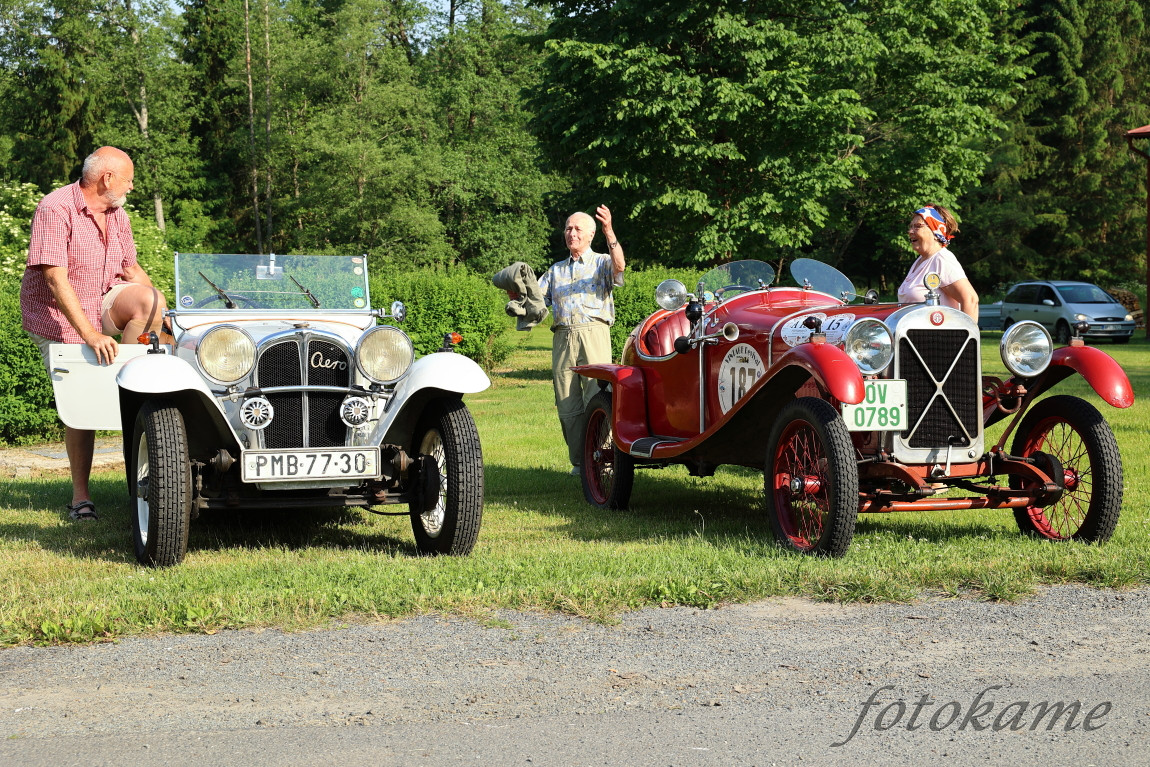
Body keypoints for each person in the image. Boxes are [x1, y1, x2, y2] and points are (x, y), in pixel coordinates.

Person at [20, 146, 169, 521]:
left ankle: (133, 388)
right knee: (83, 403)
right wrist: (88, 334)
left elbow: (131, 270)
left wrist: (163, 315)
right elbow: (55, 279)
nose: (131, 188)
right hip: (60, 315)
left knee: (150, 304)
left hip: (100, 300)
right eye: (129, 180)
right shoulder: (55, 208)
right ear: (107, 179)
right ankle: (81, 498)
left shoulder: (117, 213)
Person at [539, 205, 626, 474]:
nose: (571, 233)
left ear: (590, 235)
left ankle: (604, 458)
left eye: (577, 228)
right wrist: (518, 299)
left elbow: (620, 266)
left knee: (597, 395)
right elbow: (537, 304)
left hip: (593, 333)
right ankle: (581, 461)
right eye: (567, 228)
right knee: (567, 401)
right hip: (563, 337)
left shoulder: (601, 262)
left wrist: (609, 231)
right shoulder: (556, 271)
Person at [898, 204, 979, 320]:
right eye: (910, 226)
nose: (910, 231)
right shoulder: (920, 261)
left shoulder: (942, 259)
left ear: (936, 232)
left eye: (917, 226)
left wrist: (966, 336)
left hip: (938, 337)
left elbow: (970, 299)